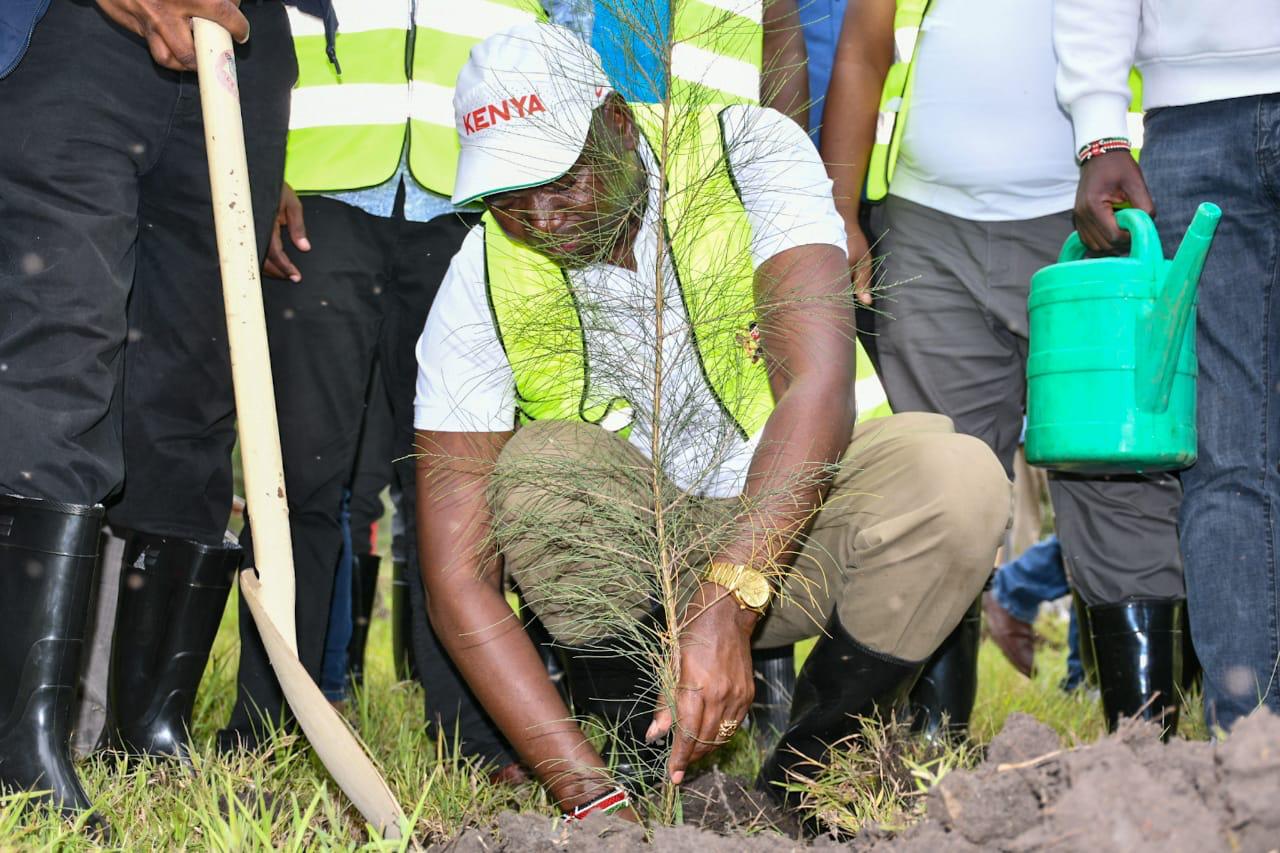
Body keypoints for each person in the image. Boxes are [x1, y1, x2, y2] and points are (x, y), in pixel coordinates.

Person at [413, 21, 1008, 819]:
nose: (544, 221)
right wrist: (584, 793)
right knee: (542, 467)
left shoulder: (746, 150)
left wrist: (729, 597)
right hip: (642, 567)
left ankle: (806, 783)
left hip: (800, 532)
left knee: (958, 479)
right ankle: (639, 774)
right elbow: (457, 576)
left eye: (561, 181)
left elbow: (819, 387)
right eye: (510, 201)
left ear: (619, 124)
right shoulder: (479, 275)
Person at [822, 0, 1187, 737]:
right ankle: (930, 744)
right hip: (926, 232)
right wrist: (840, 209)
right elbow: (863, 50)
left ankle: (1147, 743)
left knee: (1117, 465)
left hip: (1096, 226)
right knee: (938, 479)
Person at [219, 0, 552, 780]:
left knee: (458, 488)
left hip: (470, 205)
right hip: (315, 197)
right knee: (297, 474)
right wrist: (261, 167)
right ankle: (268, 721)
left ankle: (471, 736)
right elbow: (243, 32)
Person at [0, 0, 303, 827]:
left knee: (194, 387)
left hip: (246, 42)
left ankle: (145, 727)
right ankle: (21, 741)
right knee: (60, 350)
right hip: (65, 30)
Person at [1054, 0, 1280, 731]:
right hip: (1193, 120)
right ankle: (1251, 750)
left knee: (1229, 458)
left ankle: (1247, 738)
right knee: (1223, 450)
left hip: (1195, 128)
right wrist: (1100, 132)